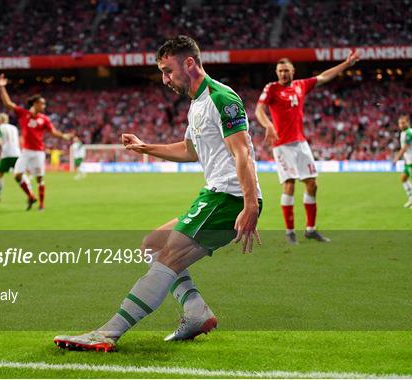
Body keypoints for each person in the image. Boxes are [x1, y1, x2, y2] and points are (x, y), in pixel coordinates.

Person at [54, 35, 262, 352]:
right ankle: (196, 312)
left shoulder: (223, 99)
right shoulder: (198, 104)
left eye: (168, 71)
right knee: (152, 244)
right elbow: (190, 150)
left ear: (189, 63)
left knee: (168, 257)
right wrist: (144, 147)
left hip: (228, 198)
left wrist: (249, 206)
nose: (165, 80)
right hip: (216, 195)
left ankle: (107, 333)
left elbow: (243, 153)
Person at [255, 53, 360, 244]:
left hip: (300, 143)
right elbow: (258, 110)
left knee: (312, 184)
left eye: (286, 70)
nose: (283, 74)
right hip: (282, 144)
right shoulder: (271, 88)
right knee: (289, 185)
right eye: (280, 71)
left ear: (293, 71)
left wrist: (346, 63)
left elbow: (324, 76)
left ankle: (310, 230)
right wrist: (268, 125)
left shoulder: (301, 85)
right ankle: (289, 232)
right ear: (276, 72)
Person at [0, 74, 72, 210]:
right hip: (25, 152)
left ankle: (41, 205)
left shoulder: (44, 119)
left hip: (38, 152)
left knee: (39, 179)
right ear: (35, 104)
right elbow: (8, 104)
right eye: (42, 103)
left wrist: (64, 136)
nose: (44, 106)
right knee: (17, 175)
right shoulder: (23, 114)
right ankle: (31, 196)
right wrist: (2, 87)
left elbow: (53, 132)